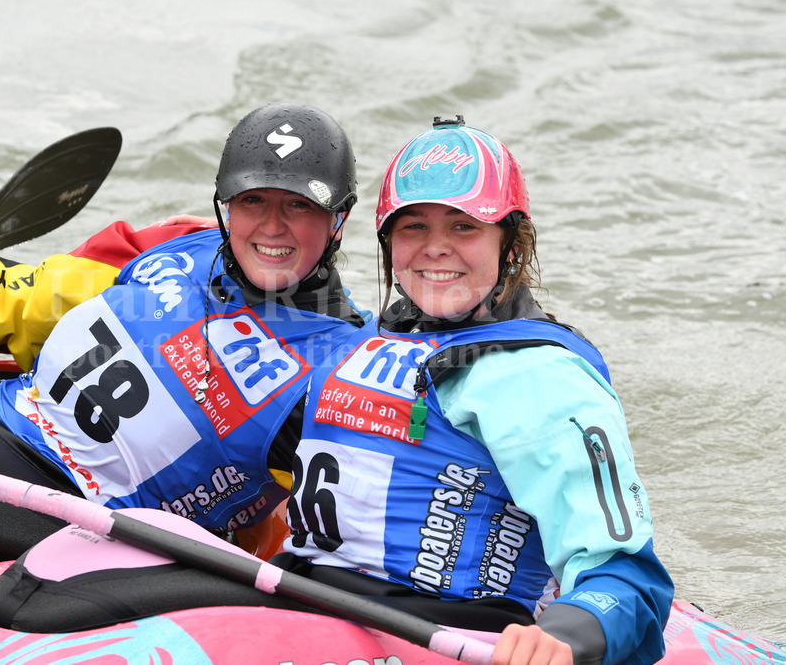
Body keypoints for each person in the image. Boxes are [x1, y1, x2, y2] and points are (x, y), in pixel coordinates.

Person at [0, 102, 369, 543]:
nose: (271, 227)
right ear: (225, 204)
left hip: (73, 527)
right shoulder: (177, 244)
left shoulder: (339, 373)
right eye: (253, 200)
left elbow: (348, 526)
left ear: (339, 218)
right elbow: (38, 295)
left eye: (299, 206)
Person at [278, 117, 674, 664]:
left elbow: (627, 577)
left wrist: (564, 636)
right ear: (388, 242)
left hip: (441, 633)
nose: (435, 249)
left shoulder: (538, 376)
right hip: (295, 602)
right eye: (412, 227)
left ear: (511, 244)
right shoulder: (355, 342)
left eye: (464, 227)